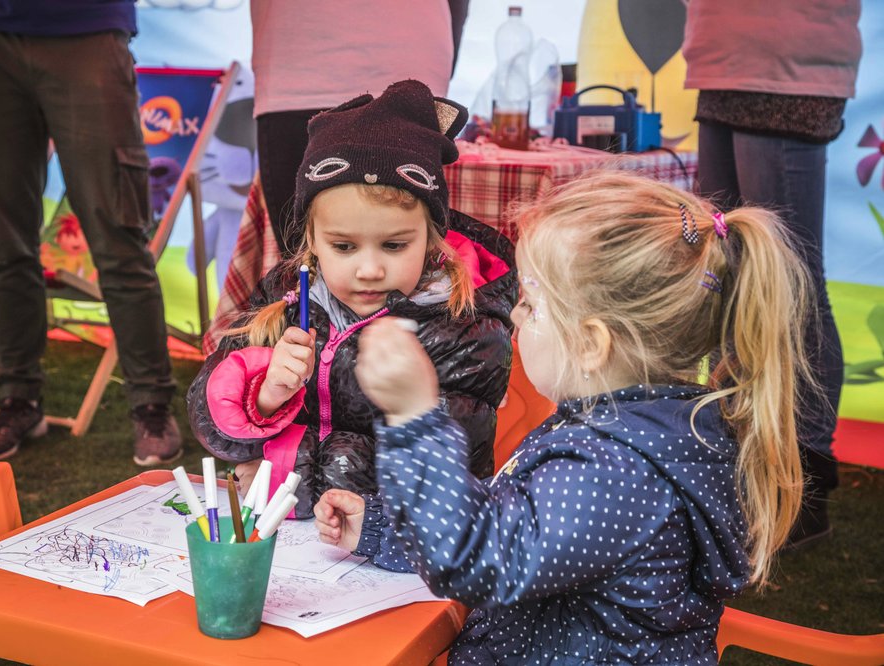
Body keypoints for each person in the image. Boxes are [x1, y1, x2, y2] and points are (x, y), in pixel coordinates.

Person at [316, 171, 816, 663]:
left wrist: (413, 417)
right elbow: (519, 529)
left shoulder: (616, 471)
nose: (514, 316)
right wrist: (380, 530)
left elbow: (482, 562)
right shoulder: (635, 431)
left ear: (591, 344)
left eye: (531, 306)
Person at [186, 80, 517, 519]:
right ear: (312, 241)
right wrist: (266, 394)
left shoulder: (465, 329)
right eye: (344, 247)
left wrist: (292, 475)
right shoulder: (281, 300)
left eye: (395, 246)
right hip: (287, 532)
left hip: (397, 546)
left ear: (432, 239)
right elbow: (212, 424)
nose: (369, 269)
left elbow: (449, 475)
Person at [0, 0, 182, 466]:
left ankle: (151, 405)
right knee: (3, 239)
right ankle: (19, 400)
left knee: (118, 233)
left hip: (87, 27)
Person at [682, 0, 863, 548]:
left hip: (788, 65)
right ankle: (733, 460)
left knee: (789, 281)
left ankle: (802, 482)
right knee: (725, 271)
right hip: (721, 59)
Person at [250, 0, 457, 256]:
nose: (368, 272)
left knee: (411, 254)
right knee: (304, 266)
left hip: (308, 64)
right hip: (300, 68)